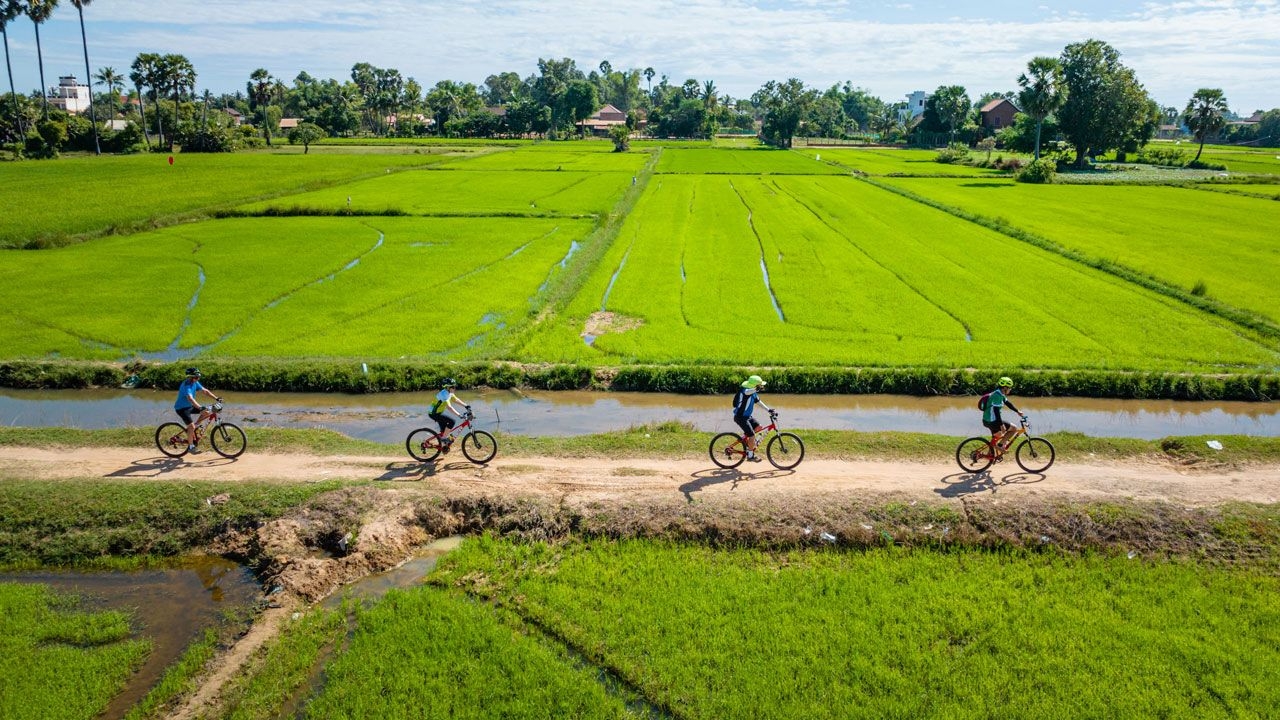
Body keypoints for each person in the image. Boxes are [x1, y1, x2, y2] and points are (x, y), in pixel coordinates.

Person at [175, 367, 219, 455]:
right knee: (191, 426)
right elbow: (190, 398)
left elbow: (205, 391)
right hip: (182, 409)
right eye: (196, 377)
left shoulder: (195, 382)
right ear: (190, 377)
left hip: (189, 406)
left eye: (198, 377)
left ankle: (195, 427)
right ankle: (191, 447)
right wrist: (200, 407)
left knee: (207, 412)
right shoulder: (186, 386)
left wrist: (216, 398)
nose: (197, 379)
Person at [732, 375, 772, 462]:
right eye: (760, 385)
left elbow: (759, 402)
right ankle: (750, 456)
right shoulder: (745, 391)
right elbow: (747, 392)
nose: (762, 386)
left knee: (759, 427)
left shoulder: (753, 393)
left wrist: (769, 410)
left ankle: (747, 442)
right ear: (755, 385)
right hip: (740, 417)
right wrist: (756, 389)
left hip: (747, 417)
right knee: (752, 435)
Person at [982, 376, 1025, 452]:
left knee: (997, 436)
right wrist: (1001, 425)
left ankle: (990, 454)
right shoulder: (997, 396)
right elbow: (996, 412)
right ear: (1005, 388)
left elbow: (1008, 403)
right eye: (1009, 388)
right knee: (1014, 428)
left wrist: (1017, 411)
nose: (1010, 389)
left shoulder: (1000, 393)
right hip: (992, 421)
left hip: (987, 420)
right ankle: (1000, 445)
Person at [428, 378, 469, 452]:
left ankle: (443, 447)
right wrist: (459, 415)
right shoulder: (444, 395)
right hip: (433, 413)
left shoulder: (449, 393)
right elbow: (449, 407)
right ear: (448, 387)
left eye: (455, 386)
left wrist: (466, 406)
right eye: (453, 387)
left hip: (438, 412)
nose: (454, 388)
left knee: (444, 432)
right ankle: (443, 439)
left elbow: (456, 399)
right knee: (452, 421)